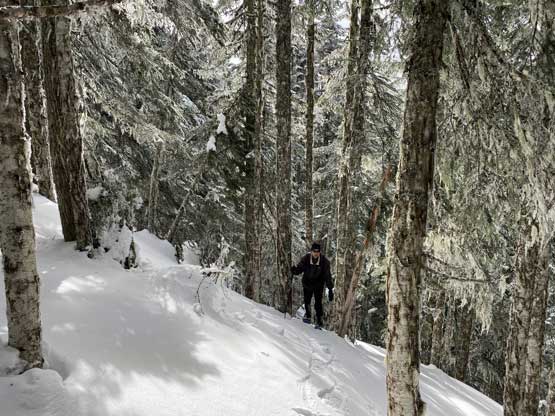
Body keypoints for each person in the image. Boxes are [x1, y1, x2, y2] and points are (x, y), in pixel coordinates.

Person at [291, 242, 334, 327]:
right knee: (307, 300)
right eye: (314, 251)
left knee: (318, 302)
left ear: (320, 252)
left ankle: (319, 320)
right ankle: (308, 316)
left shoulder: (324, 261)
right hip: (307, 283)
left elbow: (327, 275)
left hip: (318, 284)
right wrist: (295, 270)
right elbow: (300, 268)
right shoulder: (306, 258)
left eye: (317, 251)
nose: (316, 253)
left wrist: (330, 289)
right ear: (311, 251)